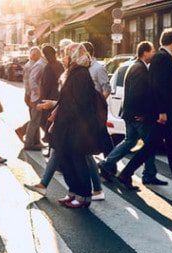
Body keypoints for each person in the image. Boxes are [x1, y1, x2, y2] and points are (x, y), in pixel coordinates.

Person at [113, 28, 172, 191]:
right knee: (156, 145)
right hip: (164, 112)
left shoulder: (162, 57)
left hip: (165, 111)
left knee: (169, 145)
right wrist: (162, 111)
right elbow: (158, 86)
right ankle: (127, 174)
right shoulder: (162, 58)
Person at [47, 43, 105, 207]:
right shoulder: (72, 72)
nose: (63, 58)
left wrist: (64, 117)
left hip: (77, 127)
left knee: (77, 161)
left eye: (65, 54)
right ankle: (73, 192)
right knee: (67, 161)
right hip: (67, 125)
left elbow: (78, 102)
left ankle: (83, 197)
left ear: (73, 55)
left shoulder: (80, 73)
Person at [98, 41, 162, 184]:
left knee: (130, 141)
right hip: (137, 115)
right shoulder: (140, 69)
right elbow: (136, 93)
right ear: (145, 52)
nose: (153, 53)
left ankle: (107, 163)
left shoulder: (134, 65)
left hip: (129, 112)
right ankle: (149, 174)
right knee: (149, 144)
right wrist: (141, 114)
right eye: (152, 51)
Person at [24, 45, 65, 196]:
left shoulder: (48, 67)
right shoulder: (59, 65)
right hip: (58, 99)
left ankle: (49, 146)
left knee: (48, 125)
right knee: (53, 130)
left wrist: (40, 99)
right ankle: (51, 151)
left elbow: (45, 85)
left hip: (50, 101)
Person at [81, 41, 115, 156]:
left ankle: (110, 164)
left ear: (87, 53)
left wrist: (98, 104)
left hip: (95, 108)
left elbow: (107, 89)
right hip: (85, 108)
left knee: (103, 134)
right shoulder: (83, 67)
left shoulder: (98, 68)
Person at [16, 47, 46, 150]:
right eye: (38, 54)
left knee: (36, 118)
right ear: (34, 55)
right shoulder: (32, 65)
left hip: (31, 95)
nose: (40, 55)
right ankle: (25, 135)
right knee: (35, 118)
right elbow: (28, 82)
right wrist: (29, 95)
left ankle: (36, 141)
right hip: (32, 96)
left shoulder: (32, 64)